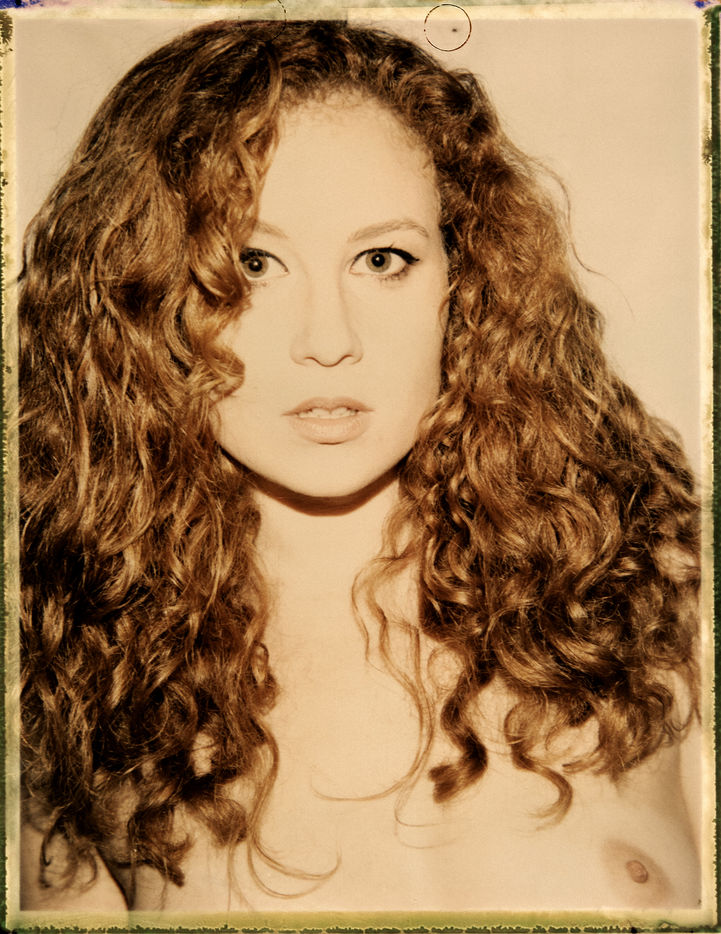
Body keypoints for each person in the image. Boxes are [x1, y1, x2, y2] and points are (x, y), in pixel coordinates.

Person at [18, 17, 702, 915]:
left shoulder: (651, 591)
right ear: (142, 294)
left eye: (382, 259)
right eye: (251, 264)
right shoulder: (72, 690)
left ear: (463, 278)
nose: (328, 340)